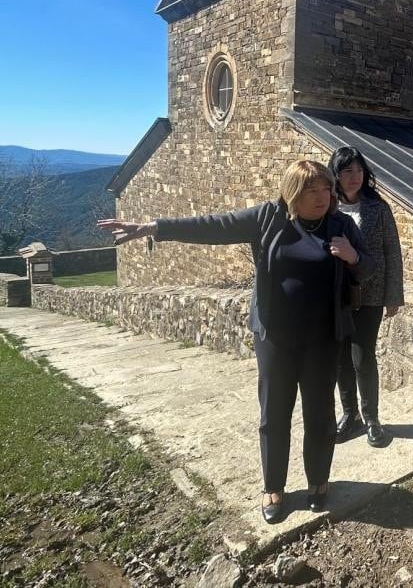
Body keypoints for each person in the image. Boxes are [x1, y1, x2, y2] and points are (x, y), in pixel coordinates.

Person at [98, 160, 374, 524]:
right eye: (312, 190)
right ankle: (273, 486)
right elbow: (214, 225)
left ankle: (318, 483)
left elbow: (368, 269)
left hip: (323, 338)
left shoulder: (341, 226)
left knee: (319, 415)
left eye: (326, 189)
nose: (322, 197)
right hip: (275, 337)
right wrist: (152, 227)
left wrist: (352, 257)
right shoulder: (267, 218)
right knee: (273, 413)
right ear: (293, 192)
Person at [330, 146, 404, 448]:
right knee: (339, 360)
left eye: (359, 170)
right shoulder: (329, 209)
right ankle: (350, 415)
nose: (354, 177)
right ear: (336, 174)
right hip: (335, 297)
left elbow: (392, 253)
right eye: (347, 171)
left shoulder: (378, 208)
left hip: (370, 296)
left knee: (363, 357)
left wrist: (394, 295)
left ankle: (371, 417)